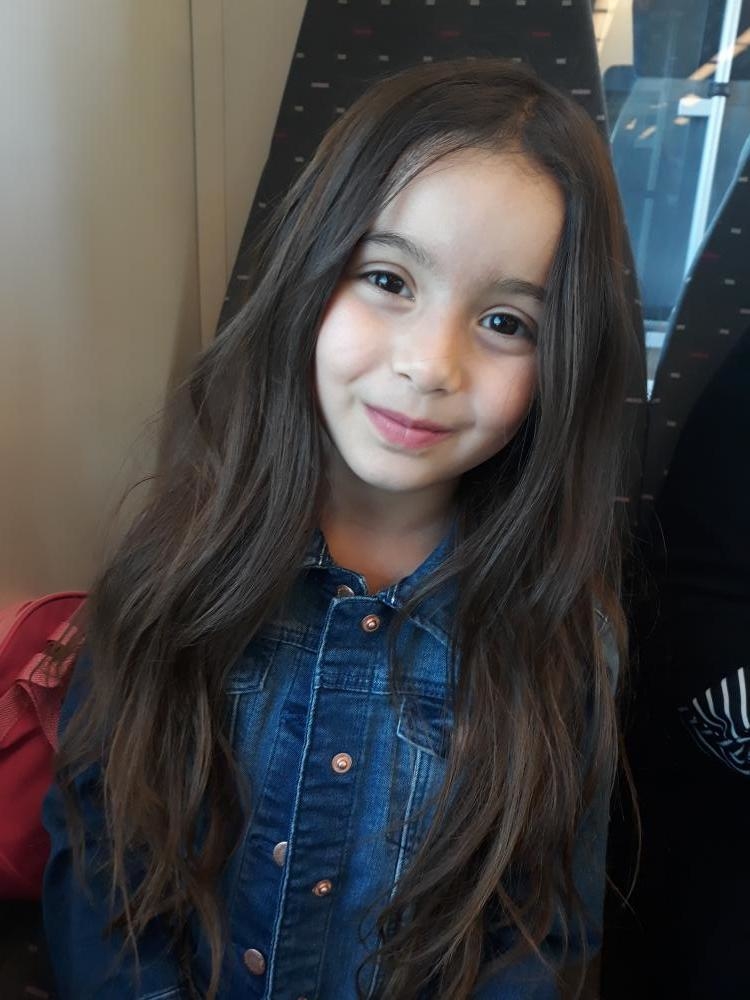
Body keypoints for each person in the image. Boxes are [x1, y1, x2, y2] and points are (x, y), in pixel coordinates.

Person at [41, 58, 639, 999]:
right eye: (389, 279)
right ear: (310, 273)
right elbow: (103, 870)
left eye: (504, 321)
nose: (430, 365)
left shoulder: (560, 635)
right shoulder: (176, 567)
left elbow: (540, 937)